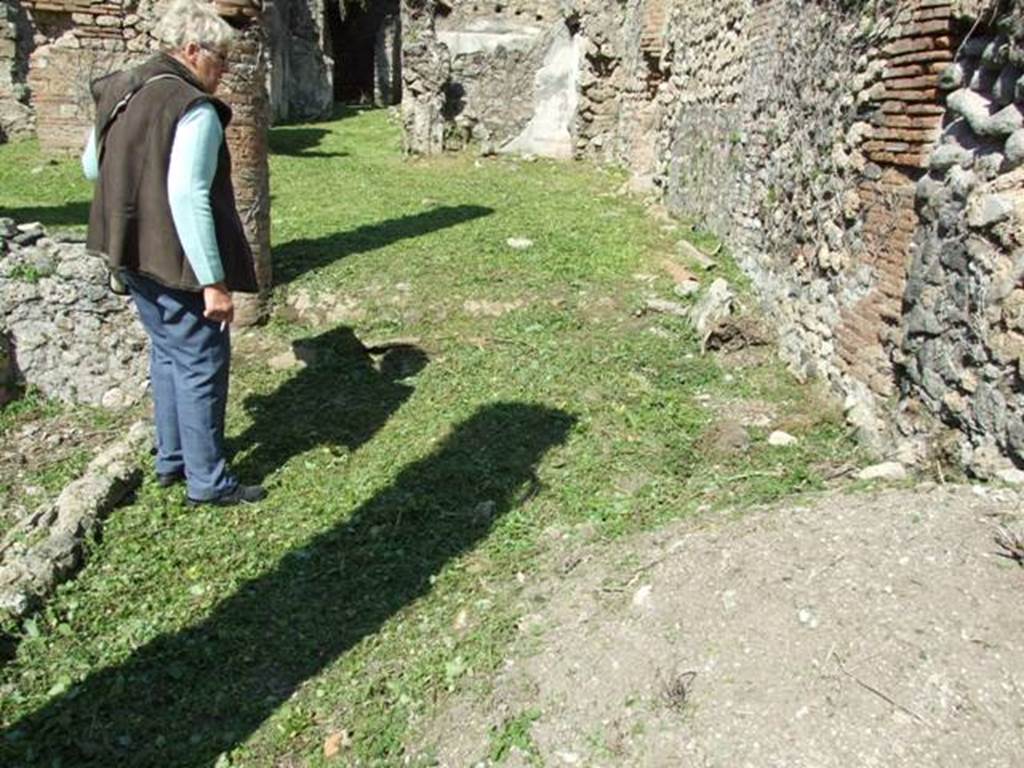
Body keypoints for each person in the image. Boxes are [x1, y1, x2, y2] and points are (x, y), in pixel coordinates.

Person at [82, 0, 265, 507]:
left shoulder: (121, 86)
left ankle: (173, 459)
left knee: (167, 352)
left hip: (127, 250)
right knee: (202, 360)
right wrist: (213, 282)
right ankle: (207, 481)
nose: (223, 71)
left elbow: (92, 167)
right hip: (175, 261)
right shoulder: (192, 107)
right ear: (191, 50)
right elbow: (188, 195)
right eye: (219, 59)